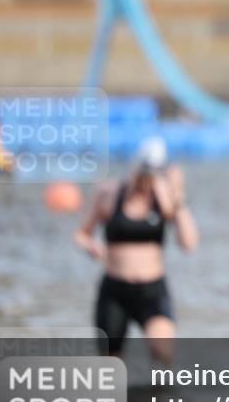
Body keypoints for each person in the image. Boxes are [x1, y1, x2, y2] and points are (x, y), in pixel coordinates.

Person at [75, 137, 198, 364]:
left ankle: (158, 398)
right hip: (115, 291)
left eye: (154, 175)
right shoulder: (110, 194)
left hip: (151, 291)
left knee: (163, 352)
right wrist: (91, 246)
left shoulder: (165, 196)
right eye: (145, 174)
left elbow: (189, 244)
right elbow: (82, 234)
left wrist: (179, 198)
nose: (149, 181)